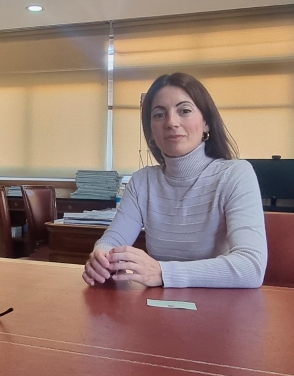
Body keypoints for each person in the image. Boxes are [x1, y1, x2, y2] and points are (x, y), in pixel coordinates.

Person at [83, 72, 267, 289]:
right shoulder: (143, 181)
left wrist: (163, 272)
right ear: (150, 130)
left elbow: (251, 267)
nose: (171, 122)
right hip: (158, 307)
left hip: (220, 310)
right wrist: (102, 256)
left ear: (206, 122)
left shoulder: (235, 174)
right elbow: (112, 240)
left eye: (185, 111)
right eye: (159, 115)